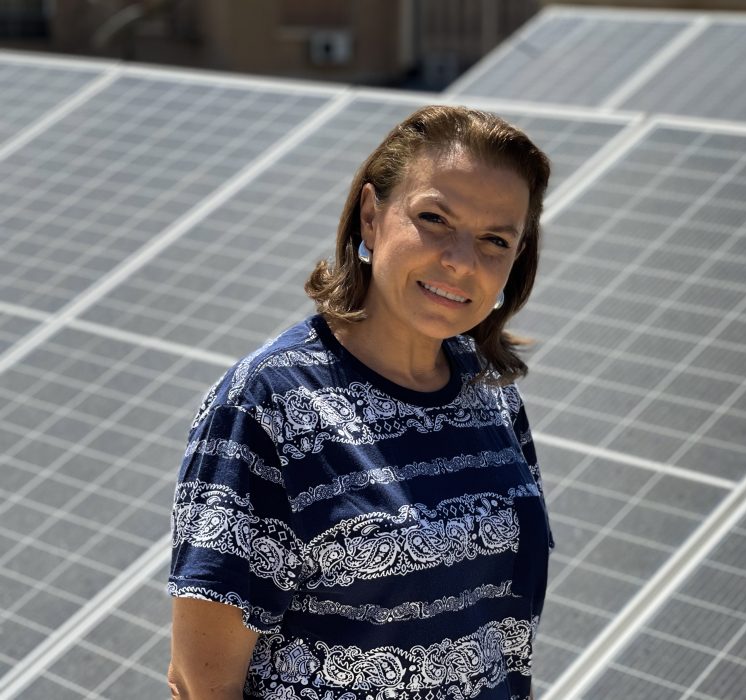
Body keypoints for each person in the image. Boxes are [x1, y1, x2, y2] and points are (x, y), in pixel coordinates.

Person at [166, 105, 554, 700]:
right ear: (372, 218)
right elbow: (200, 683)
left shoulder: (490, 395)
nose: (460, 260)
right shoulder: (267, 403)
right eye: (434, 219)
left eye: (494, 240)